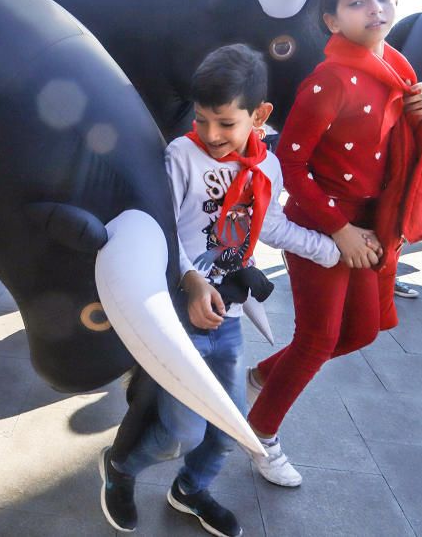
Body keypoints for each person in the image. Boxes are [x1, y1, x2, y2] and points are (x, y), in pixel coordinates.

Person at [98, 44, 342, 534]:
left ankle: (191, 490)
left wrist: (331, 248)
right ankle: (120, 468)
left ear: (260, 115)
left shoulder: (266, 168)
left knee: (229, 426)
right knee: (181, 432)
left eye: (226, 123)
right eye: (203, 119)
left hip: (228, 315)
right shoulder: (181, 157)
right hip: (178, 314)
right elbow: (160, 228)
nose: (211, 134)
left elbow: (269, 227)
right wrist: (190, 283)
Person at [246, 0, 422, 488]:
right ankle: (259, 433)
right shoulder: (328, 80)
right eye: (356, 2)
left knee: (360, 331)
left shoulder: (398, 73)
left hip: (369, 224)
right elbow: (291, 161)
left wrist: (421, 117)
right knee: (318, 337)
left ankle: (266, 374)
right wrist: (337, 231)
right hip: (320, 225)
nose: (373, 8)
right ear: (333, 21)